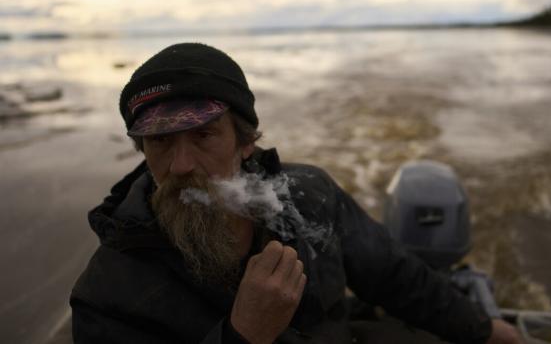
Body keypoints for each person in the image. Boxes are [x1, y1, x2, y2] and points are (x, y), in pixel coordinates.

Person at [70, 43, 523, 344]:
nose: (181, 164)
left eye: (204, 135)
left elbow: (392, 275)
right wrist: (243, 335)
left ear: (246, 142)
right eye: (160, 142)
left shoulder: (310, 195)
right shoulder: (110, 292)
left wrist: (485, 330)